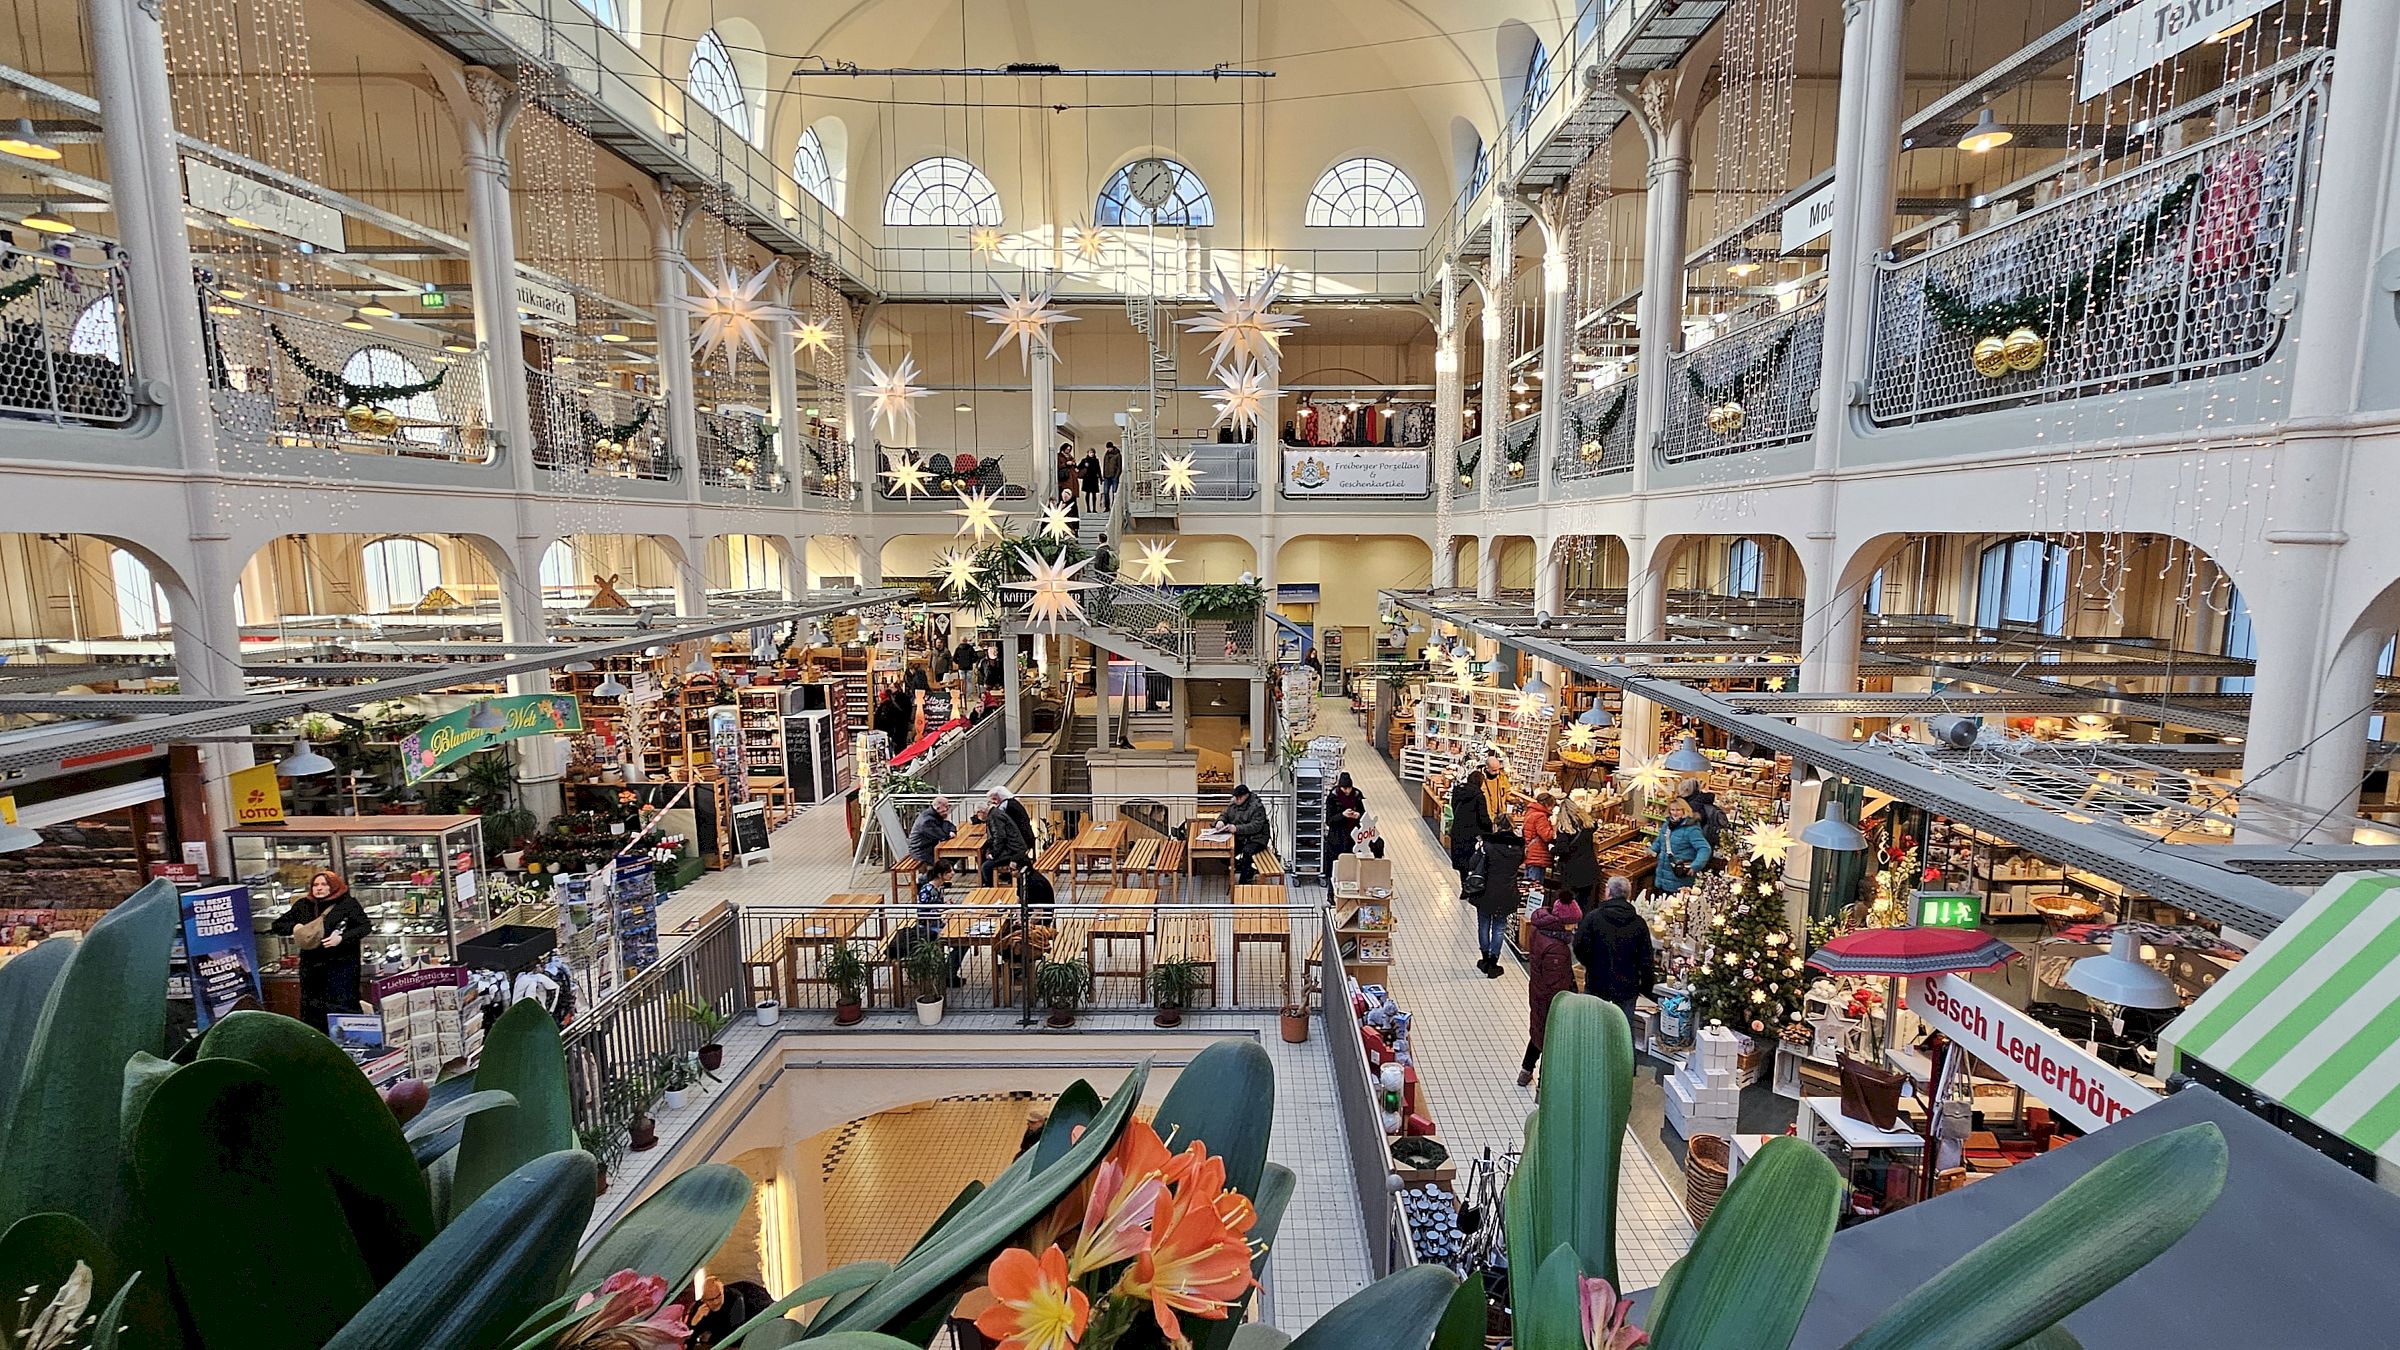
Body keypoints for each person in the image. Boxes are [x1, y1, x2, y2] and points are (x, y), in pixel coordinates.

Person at [269, 870, 371, 1032]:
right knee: (314, 1009)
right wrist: (295, 927)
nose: (319, 888)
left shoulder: (347, 904)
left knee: (342, 1006)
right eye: (316, 885)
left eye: (324, 884)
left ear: (333, 886)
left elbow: (364, 927)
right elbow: (278, 925)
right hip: (312, 969)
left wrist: (341, 939)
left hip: (341, 967)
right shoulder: (304, 905)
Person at [1575, 876, 1657, 1049]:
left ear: (1608, 893)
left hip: (1597, 982)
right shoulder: (1639, 923)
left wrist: (1591, 965)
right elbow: (1646, 959)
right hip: (1627, 986)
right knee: (1625, 1029)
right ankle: (1626, 1069)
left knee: (1592, 1024)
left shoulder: (1593, 918)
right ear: (1627, 895)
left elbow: (1579, 947)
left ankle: (1591, 1060)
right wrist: (1646, 988)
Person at [1521, 885, 1585, 1084]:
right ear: (1564, 923)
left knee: (1538, 1033)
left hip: (1538, 992)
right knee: (1551, 1040)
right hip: (1550, 1001)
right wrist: (1566, 1002)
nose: (1575, 928)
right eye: (1573, 924)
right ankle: (1544, 1084)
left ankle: (1525, 1071)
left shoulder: (1542, 931)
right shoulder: (1557, 948)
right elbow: (1556, 984)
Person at [1467, 811, 1527, 977]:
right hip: (1507, 892)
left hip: (1486, 891)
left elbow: (1472, 863)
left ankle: (1485, 959)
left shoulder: (1488, 845)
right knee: (1499, 927)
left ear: (1497, 825)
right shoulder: (1519, 846)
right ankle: (1494, 962)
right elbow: (1520, 864)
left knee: (1484, 925)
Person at [1652, 795, 1711, 896]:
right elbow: (1660, 841)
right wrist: (1651, 850)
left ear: (1685, 811)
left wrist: (1695, 866)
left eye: (1678, 810)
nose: (1675, 813)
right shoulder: (1667, 825)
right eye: (1672, 810)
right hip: (1662, 876)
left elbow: (1704, 848)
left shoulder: (1691, 829)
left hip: (1679, 879)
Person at [1551, 793, 1600, 906]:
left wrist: (1552, 849)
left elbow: (1562, 849)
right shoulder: (1587, 826)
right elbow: (1595, 825)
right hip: (1589, 869)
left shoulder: (1564, 831)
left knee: (1571, 904)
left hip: (1572, 873)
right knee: (1585, 903)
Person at [1218, 783, 1273, 884]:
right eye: (1236, 797)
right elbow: (1225, 813)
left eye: (1239, 797)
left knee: (1247, 853)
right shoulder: (1234, 803)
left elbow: (1256, 826)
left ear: (1246, 795)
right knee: (1223, 853)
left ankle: (1244, 882)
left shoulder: (1257, 807)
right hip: (1241, 837)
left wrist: (1236, 829)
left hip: (1257, 838)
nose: (1237, 800)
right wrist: (1220, 821)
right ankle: (1247, 869)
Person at [979, 786, 1035, 884]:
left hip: (1017, 846)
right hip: (1020, 843)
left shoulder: (1002, 809)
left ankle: (989, 886)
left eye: (993, 799)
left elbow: (1000, 836)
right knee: (987, 855)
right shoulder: (1011, 804)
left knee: (986, 865)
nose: (992, 803)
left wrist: (993, 853)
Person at [1446, 761, 1490, 885]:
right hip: (1472, 835)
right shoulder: (1479, 796)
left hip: (1458, 831)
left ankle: (1463, 885)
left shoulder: (1458, 791)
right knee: (1472, 861)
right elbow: (1483, 817)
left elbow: (1454, 807)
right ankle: (1470, 886)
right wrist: (1489, 830)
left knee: (1461, 861)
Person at [1323, 771, 1367, 880]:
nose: (1347, 791)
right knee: (1335, 865)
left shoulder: (1356, 796)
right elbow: (1329, 820)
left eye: (1349, 788)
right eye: (1344, 788)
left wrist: (1358, 815)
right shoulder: (1333, 798)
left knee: (1351, 863)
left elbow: (1364, 814)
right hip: (1337, 838)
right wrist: (1342, 815)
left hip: (1353, 836)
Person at [1677, 776, 1727, 854]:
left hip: (1694, 844)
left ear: (1687, 790)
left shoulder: (1692, 805)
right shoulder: (1701, 800)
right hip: (1706, 839)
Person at [1521, 789, 1558, 888]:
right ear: (1547, 805)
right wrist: (1554, 827)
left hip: (1531, 853)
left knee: (1528, 884)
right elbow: (1547, 836)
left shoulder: (1531, 812)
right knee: (1535, 887)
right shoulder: (1540, 816)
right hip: (1538, 855)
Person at [907, 794, 956, 868]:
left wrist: (951, 831)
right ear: (938, 807)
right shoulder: (927, 820)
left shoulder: (936, 814)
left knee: (954, 856)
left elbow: (951, 826)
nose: (948, 809)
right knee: (945, 864)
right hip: (921, 851)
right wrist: (946, 821)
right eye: (946, 806)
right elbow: (942, 836)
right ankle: (924, 879)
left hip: (930, 848)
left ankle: (938, 877)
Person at [1481, 748, 1512, 831]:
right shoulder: (1480, 780)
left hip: (1500, 816)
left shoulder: (1502, 777)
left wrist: (1513, 800)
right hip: (1486, 818)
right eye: (1494, 770)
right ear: (1487, 768)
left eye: (1498, 769)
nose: (1497, 772)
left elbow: (1507, 792)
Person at [1078, 446, 1103, 513]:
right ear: (1088, 453)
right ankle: (1088, 508)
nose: (1091, 454)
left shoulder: (1096, 460)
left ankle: (1094, 508)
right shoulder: (1084, 460)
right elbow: (1078, 467)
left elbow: (1098, 470)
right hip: (1087, 478)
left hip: (1094, 478)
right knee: (1087, 494)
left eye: (1093, 453)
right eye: (1090, 452)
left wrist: (1100, 478)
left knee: (1094, 494)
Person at [1101, 441, 1123, 507]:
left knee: (1114, 492)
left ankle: (1114, 506)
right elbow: (1104, 465)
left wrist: (1117, 476)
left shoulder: (1118, 455)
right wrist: (1104, 475)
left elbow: (1119, 466)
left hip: (1114, 476)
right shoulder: (1106, 455)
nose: (1108, 449)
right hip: (1106, 477)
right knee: (1105, 492)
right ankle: (1107, 506)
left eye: (1109, 448)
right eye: (1107, 448)